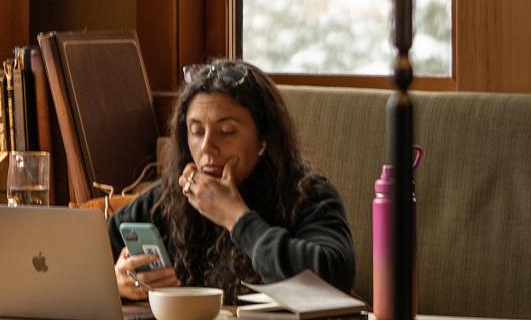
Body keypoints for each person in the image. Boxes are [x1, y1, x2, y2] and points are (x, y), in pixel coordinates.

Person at [108, 59, 355, 302]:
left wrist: (237, 218)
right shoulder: (171, 195)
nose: (206, 147)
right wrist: (116, 282)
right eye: (196, 131)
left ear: (263, 139)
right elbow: (85, 264)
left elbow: (334, 278)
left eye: (226, 132)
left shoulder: (308, 194)